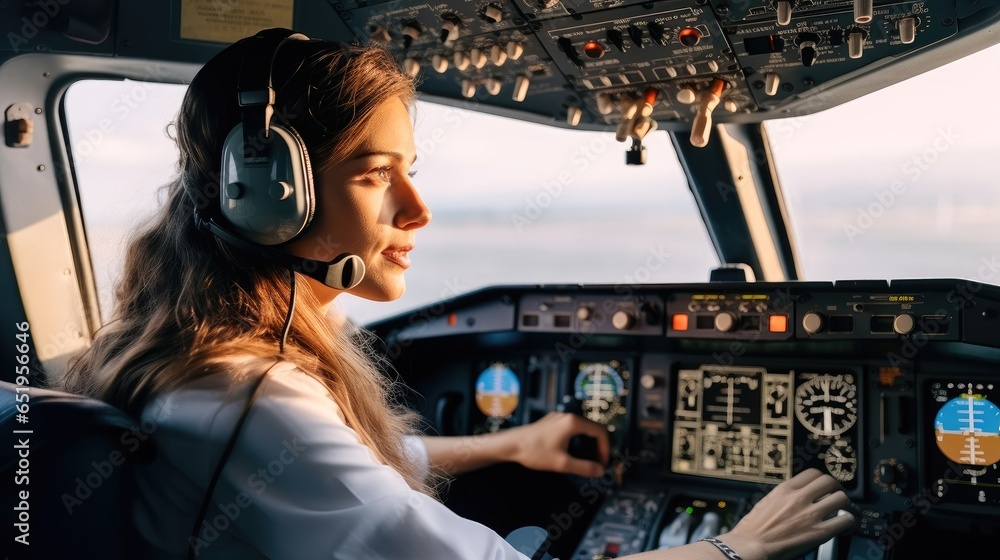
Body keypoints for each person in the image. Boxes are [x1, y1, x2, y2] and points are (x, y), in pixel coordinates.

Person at [62, 28, 854, 560]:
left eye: (412, 170)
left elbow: (338, 471)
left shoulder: (208, 362)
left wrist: (509, 444)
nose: (416, 208)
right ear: (270, 197)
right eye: (375, 176)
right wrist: (732, 548)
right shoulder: (250, 395)